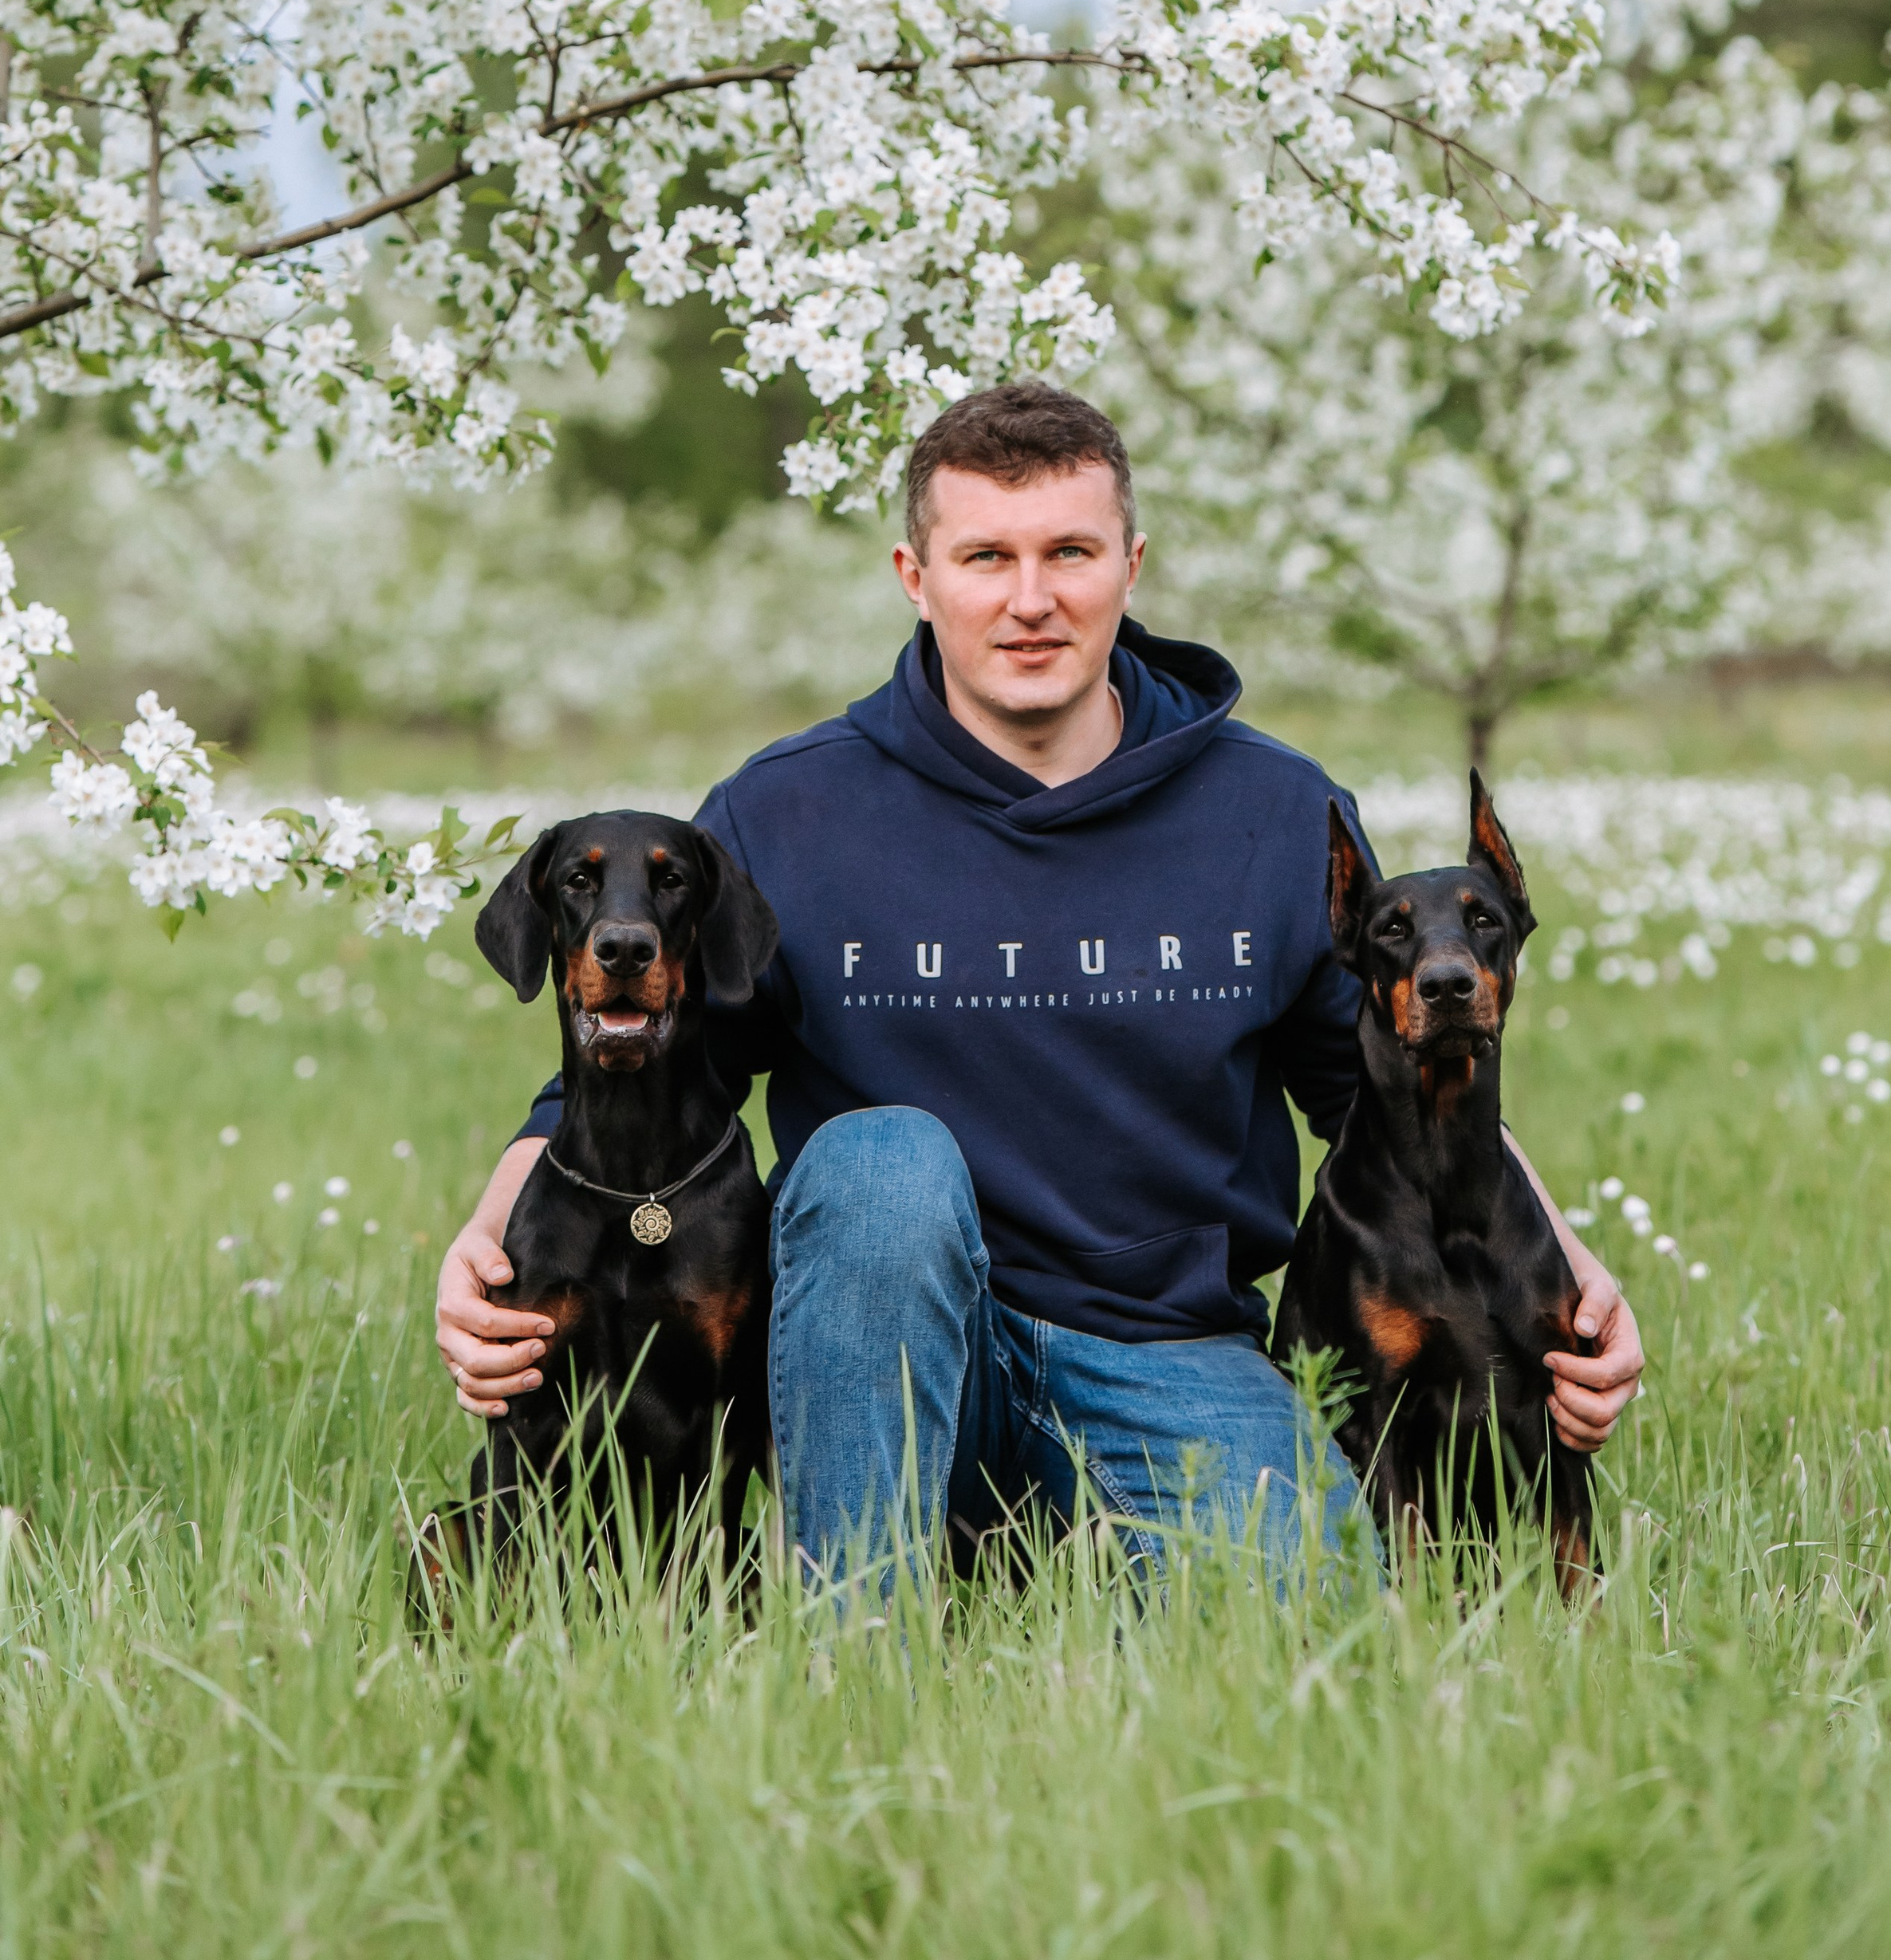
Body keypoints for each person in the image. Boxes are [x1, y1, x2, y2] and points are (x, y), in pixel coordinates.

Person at [435, 383, 1641, 1581]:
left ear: (1130, 565)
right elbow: (633, 1058)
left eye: (1070, 551)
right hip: (890, 1345)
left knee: (1313, 1602)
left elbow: (1391, 1091)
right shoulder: (787, 813)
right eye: (986, 557)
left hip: (1168, 1352)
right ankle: (860, 1631)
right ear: (916, 576)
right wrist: (488, 1249)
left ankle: (1034, 1582)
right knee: (879, 1162)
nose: (1030, 599)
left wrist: (1569, 1266)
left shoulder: (1274, 811)